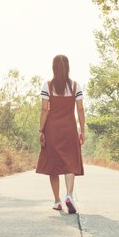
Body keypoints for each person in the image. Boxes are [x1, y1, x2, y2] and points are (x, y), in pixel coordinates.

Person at [35, 54, 85, 214]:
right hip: (70, 129)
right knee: (70, 162)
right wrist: (82, 130)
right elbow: (80, 109)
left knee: (53, 165)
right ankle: (69, 195)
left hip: (52, 130)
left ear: (53, 67)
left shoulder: (47, 86)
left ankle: (57, 201)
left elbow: (44, 109)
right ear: (68, 67)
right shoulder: (76, 86)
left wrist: (41, 130)